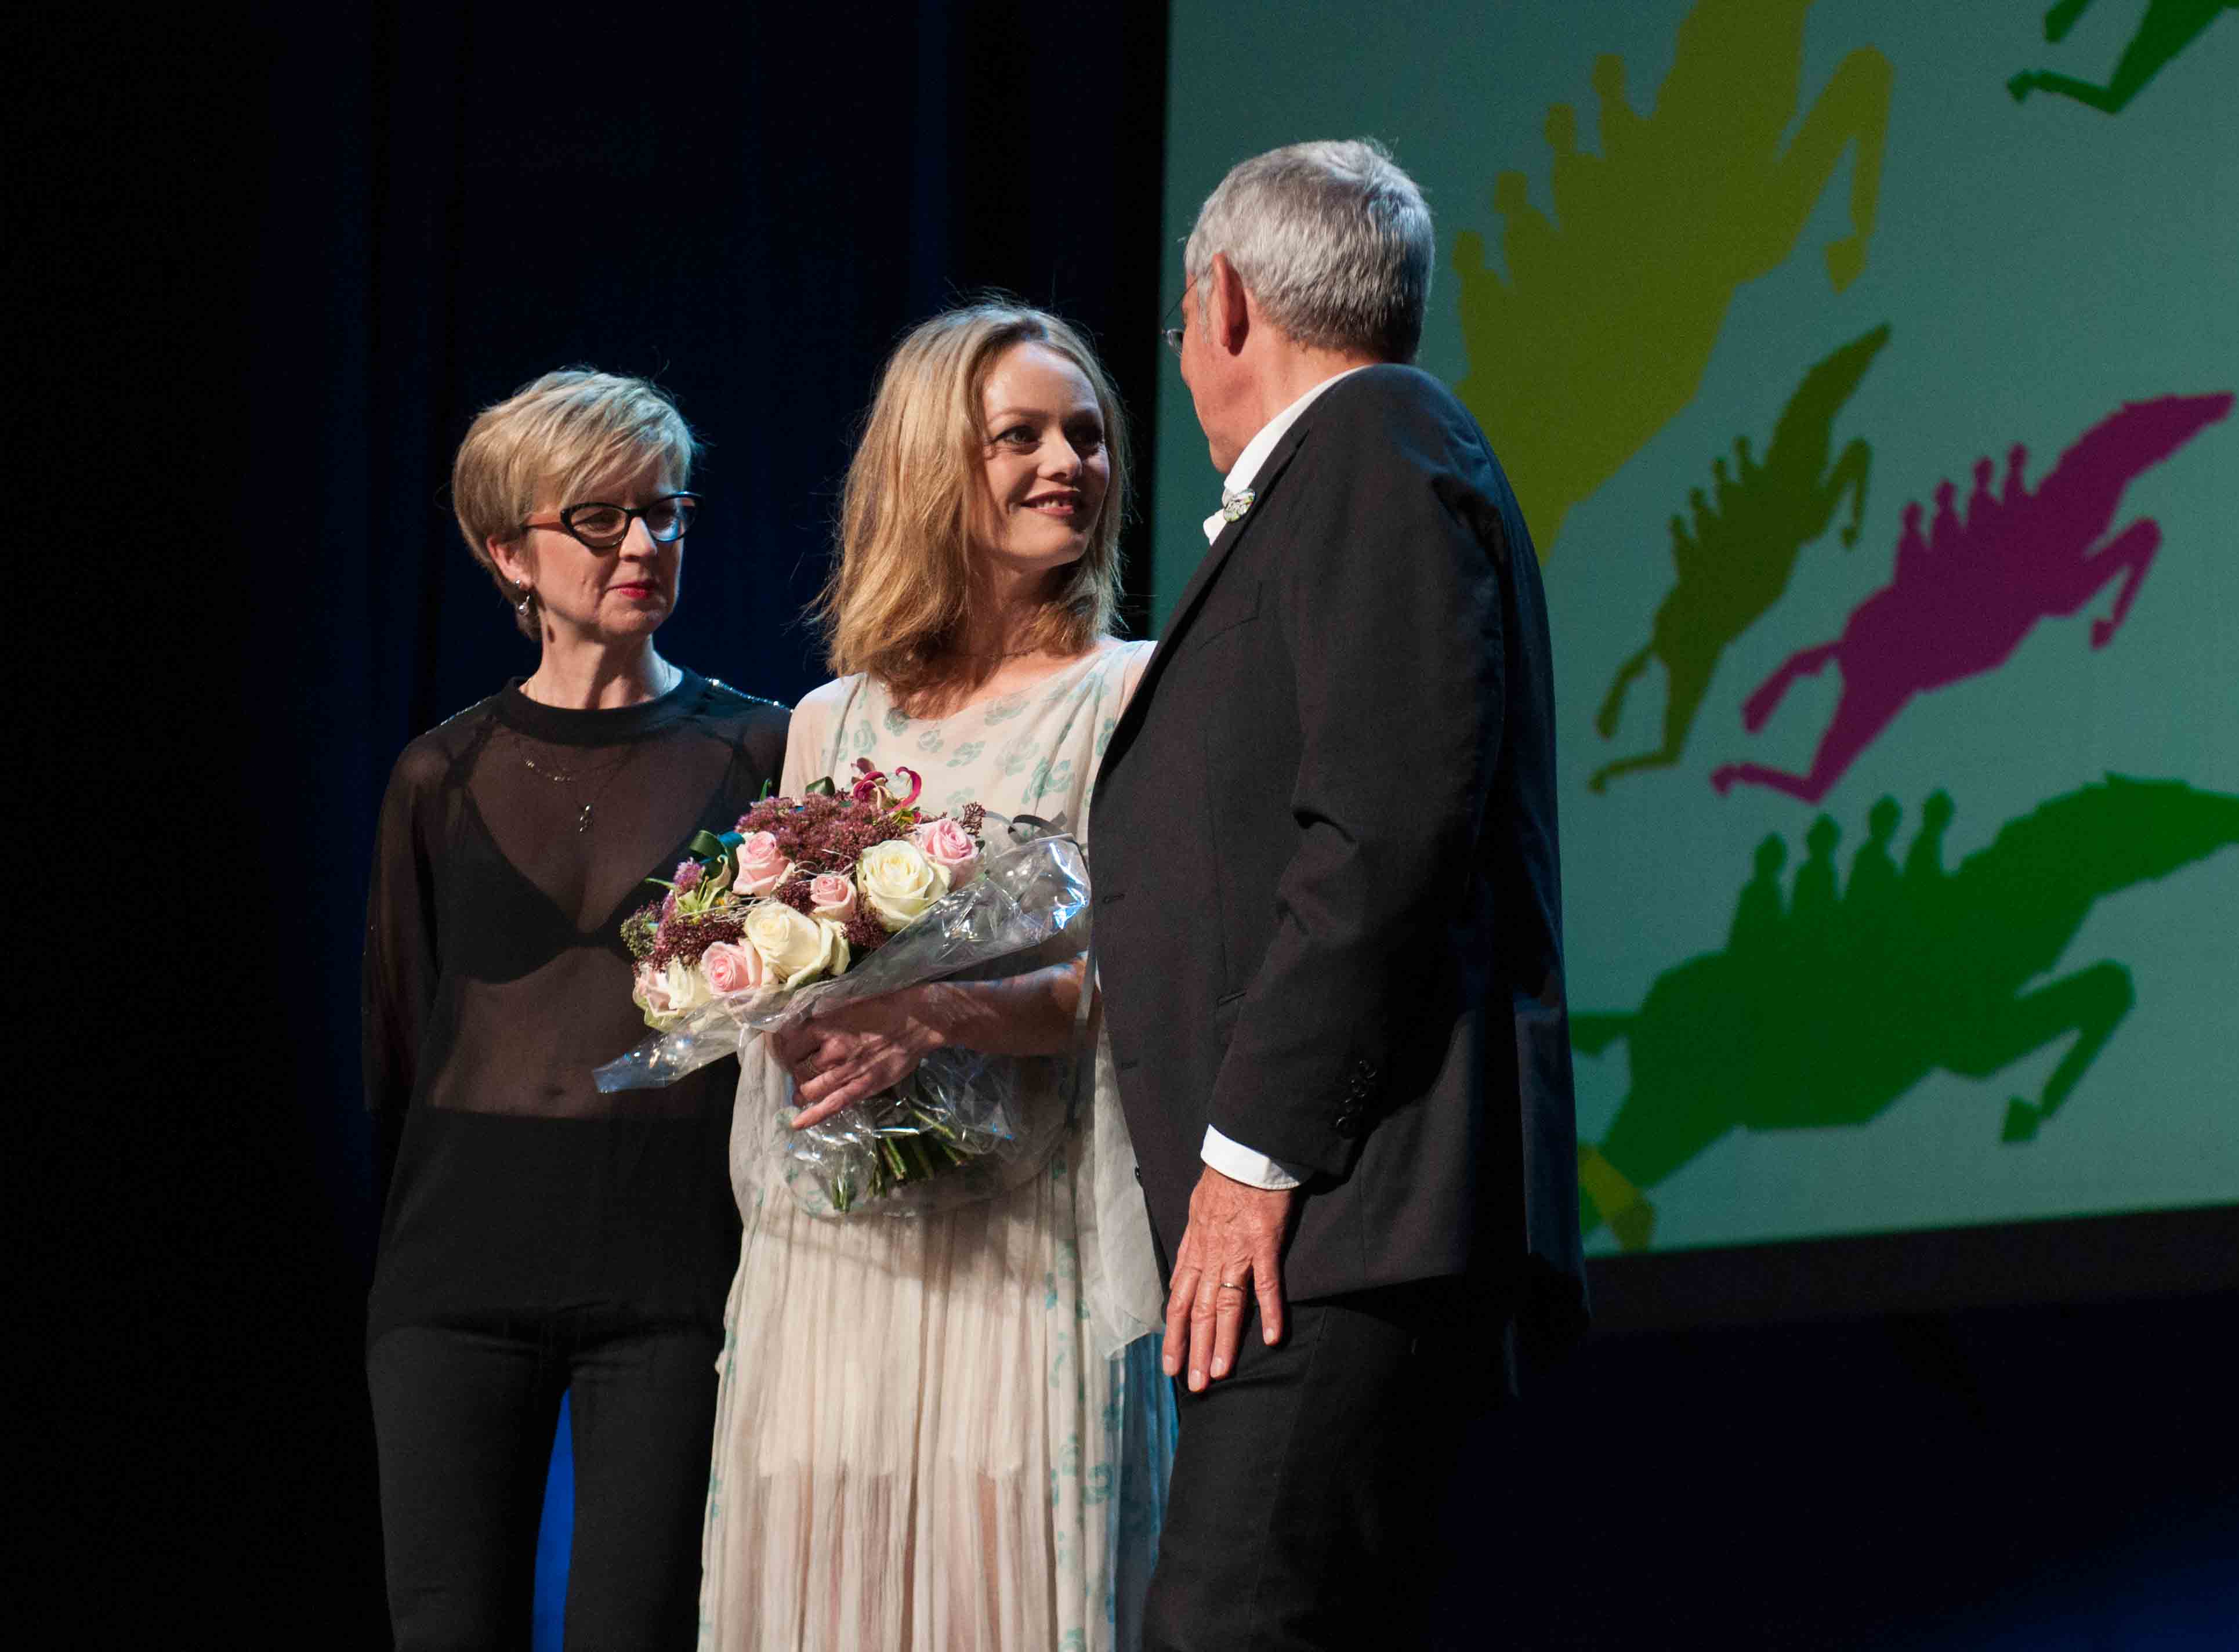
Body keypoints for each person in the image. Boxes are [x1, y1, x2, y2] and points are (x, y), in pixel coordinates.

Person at [1088, 139, 1589, 1649]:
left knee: (1226, 1622)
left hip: (1345, 1212)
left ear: (1228, 302)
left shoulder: (1375, 446)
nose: (1181, 350)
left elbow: (1379, 836)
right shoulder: (1369, 460)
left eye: (1182, 315)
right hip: (1336, 1220)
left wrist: (1251, 1156)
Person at [700, 302, 1170, 1651]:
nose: (1066, 463)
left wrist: (940, 1011)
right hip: (836, 1267)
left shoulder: (1129, 695)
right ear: (927, 466)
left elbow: (1148, 976)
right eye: (1019, 436)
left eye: (1086, 435)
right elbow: (780, 990)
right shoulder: (831, 718)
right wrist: (785, 1014)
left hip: (1031, 1263)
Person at [363, 369, 790, 1647]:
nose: (644, 544)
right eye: (600, 518)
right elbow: (399, 1040)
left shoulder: (760, 751)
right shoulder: (439, 772)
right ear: (511, 552)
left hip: (674, 1260)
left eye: (666, 511)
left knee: (636, 1625)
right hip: (458, 1258)